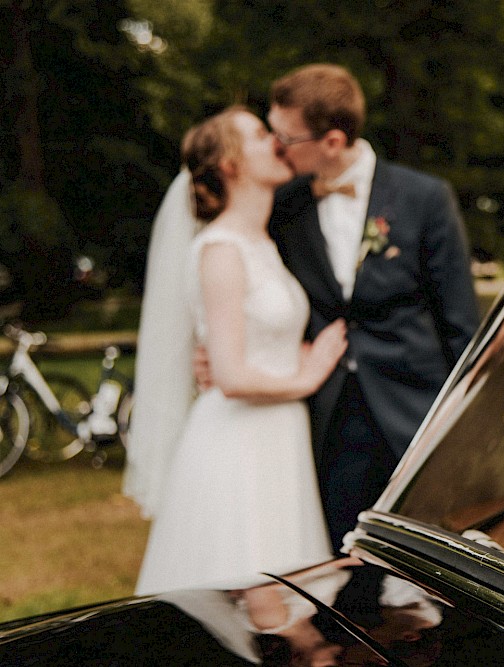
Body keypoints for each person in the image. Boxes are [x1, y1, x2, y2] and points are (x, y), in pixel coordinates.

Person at [249, 63, 480, 550]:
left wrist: (463, 429)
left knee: (434, 562)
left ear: (331, 141)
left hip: (414, 408)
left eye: (285, 137)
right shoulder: (282, 206)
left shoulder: (424, 198)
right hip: (327, 415)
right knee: (341, 564)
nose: (275, 146)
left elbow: (460, 323)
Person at [133, 106, 348, 595]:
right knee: (249, 598)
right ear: (230, 164)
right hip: (238, 446)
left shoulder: (264, 240)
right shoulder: (222, 249)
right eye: (258, 134)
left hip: (277, 436)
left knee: (285, 601)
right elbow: (231, 377)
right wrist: (308, 375)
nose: (276, 139)